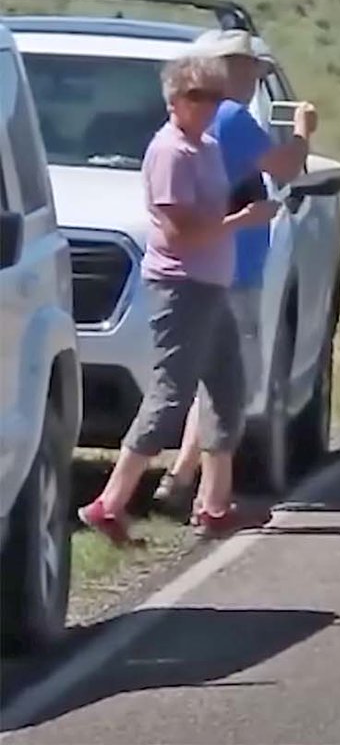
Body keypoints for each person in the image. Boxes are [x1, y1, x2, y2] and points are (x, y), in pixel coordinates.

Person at [77, 54, 279, 544]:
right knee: (170, 396)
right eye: (196, 96)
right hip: (179, 287)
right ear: (173, 101)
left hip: (213, 284)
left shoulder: (206, 146)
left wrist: (240, 213)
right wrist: (241, 222)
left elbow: (211, 209)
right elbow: (178, 231)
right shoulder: (169, 152)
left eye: (214, 96)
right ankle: (108, 502)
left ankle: (214, 505)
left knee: (228, 391)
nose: (207, 105)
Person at [149, 29, 318, 518]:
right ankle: (200, 493)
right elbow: (286, 167)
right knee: (226, 381)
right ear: (228, 70)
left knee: (207, 377)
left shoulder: (192, 125)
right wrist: (305, 131)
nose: (252, 80)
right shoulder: (233, 118)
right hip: (233, 264)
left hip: (197, 263)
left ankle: (184, 479)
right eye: (248, 70)